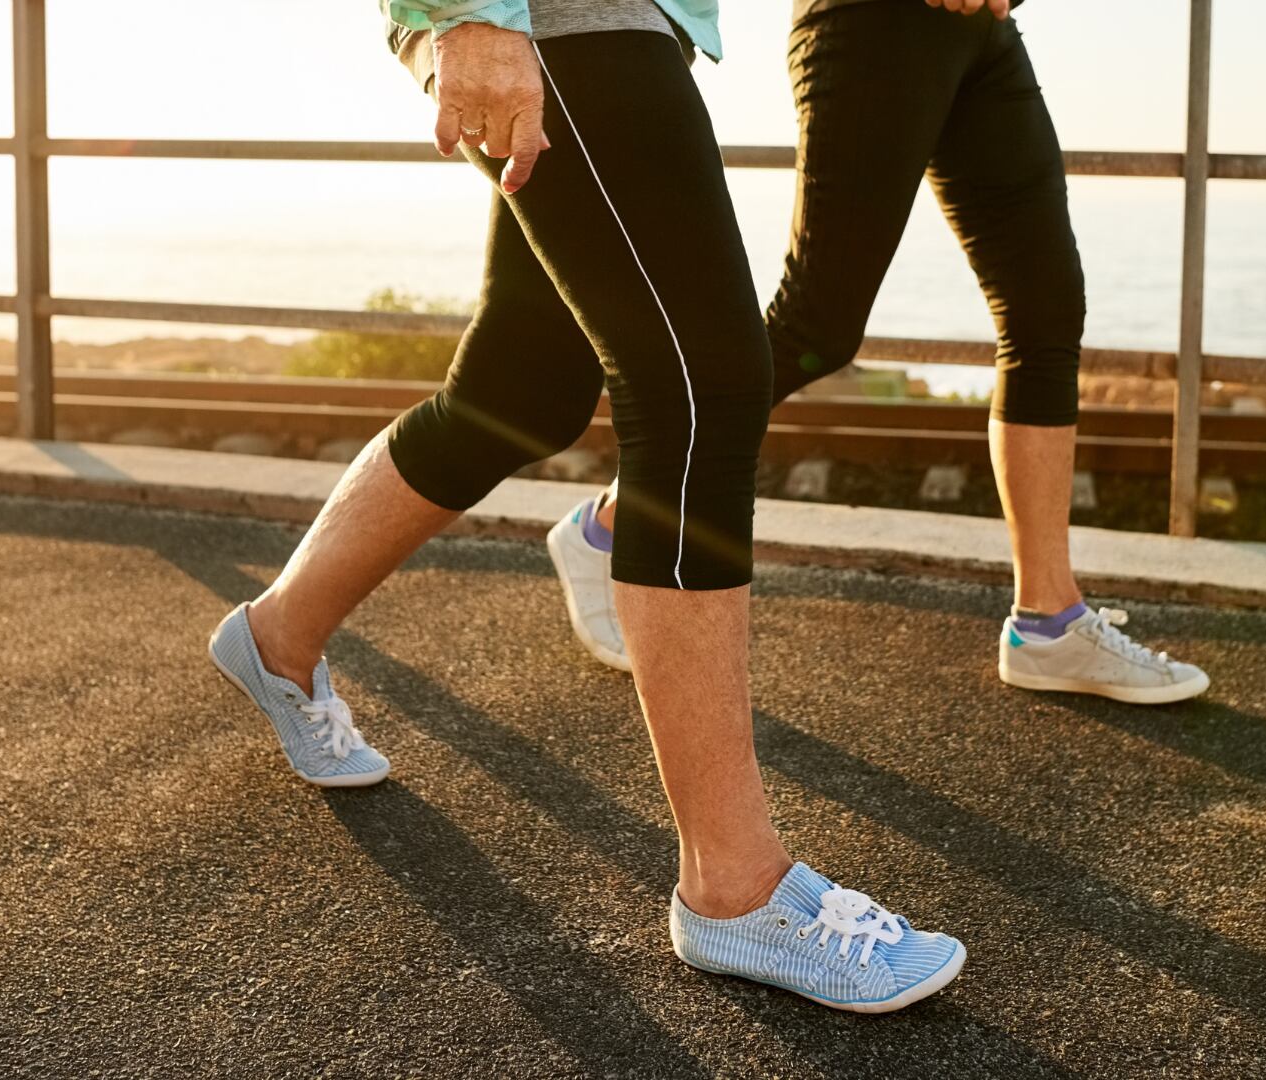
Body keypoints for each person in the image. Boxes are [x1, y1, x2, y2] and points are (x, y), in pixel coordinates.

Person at [207, 0, 963, 1013]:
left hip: (597, 21)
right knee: (702, 389)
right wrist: (465, 15)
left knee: (518, 391)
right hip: (555, 17)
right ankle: (733, 887)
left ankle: (278, 636)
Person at [550, 0, 1213, 706]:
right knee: (816, 326)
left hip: (984, 33)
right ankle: (611, 525)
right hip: (868, 22)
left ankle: (1048, 623)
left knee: (1046, 312)